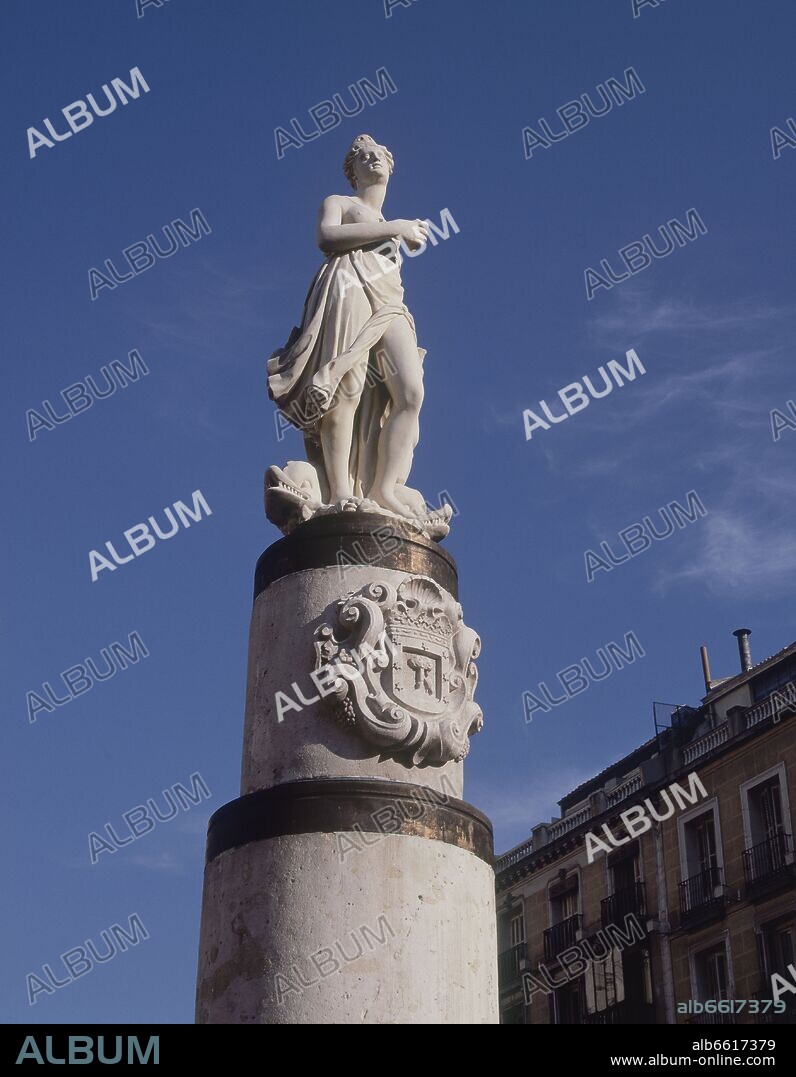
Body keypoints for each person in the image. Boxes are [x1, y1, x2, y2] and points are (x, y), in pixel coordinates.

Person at [267, 134, 430, 516]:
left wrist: (396, 229)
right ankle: (341, 491)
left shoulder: (392, 222)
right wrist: (396, 230)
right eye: (363, 157)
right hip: (348, 285)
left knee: (410, 392)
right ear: (352, 172)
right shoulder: (340, 203)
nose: (372, 159)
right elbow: (327, 237)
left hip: (390, 304)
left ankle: (385, 488)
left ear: (390, 166)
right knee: (347, 387)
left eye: (379, 156)